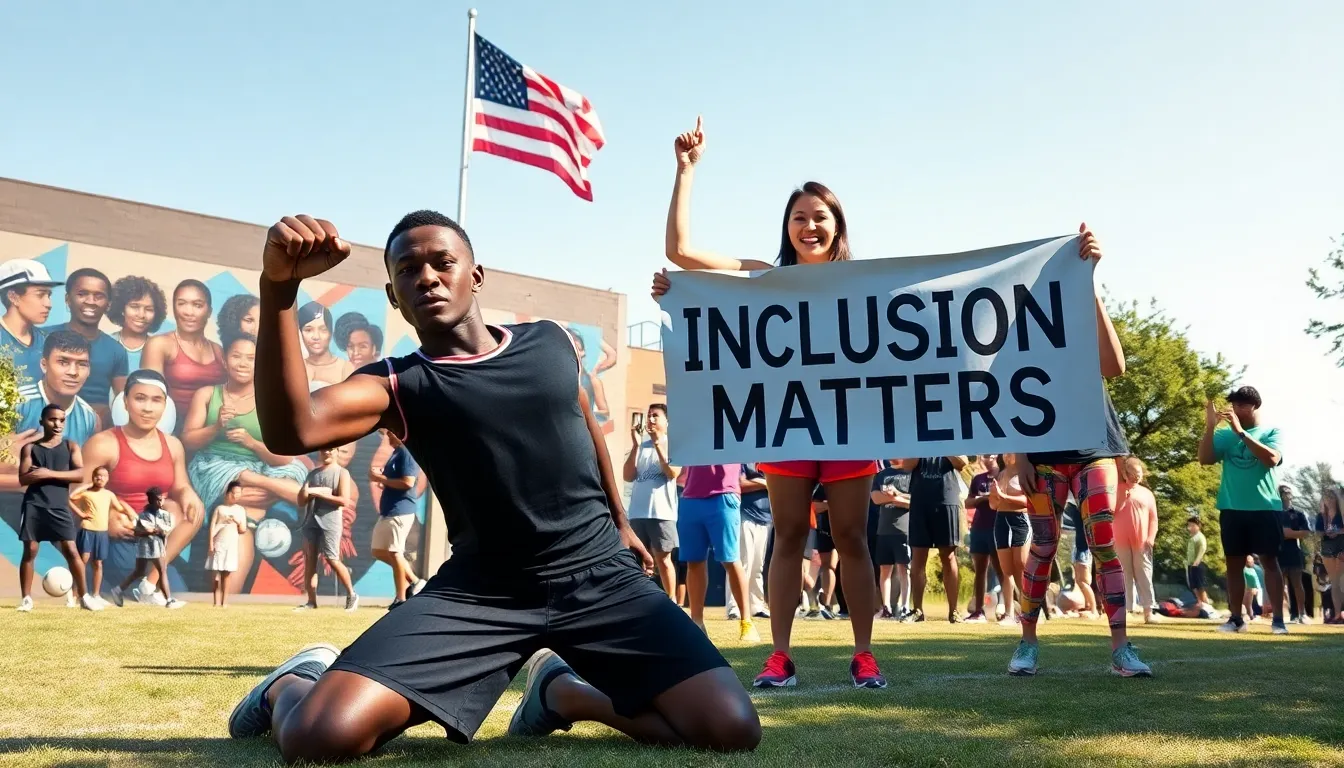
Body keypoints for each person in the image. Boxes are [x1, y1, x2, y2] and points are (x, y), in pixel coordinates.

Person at [227, 211, 758, 761]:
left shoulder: (550, 341)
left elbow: (582, 421)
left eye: (443, 262)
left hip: (600, 576)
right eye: (408, 270)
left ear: (475, 276)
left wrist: (620, 521)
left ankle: (563, 694)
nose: (427, 277)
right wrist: (279, 288)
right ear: (393, 295)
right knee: (317, 738)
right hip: (482, 593)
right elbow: (292, 431)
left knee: (732, 730)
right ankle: (290, 685)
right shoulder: (397, 384)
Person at [653, 117, 882, 689]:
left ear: (837, 225)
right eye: (799, 217)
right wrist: (686, 171)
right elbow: (680, 252)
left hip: (850, 423)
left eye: (819, 216)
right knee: (789, 534)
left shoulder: (865, 281)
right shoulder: (764, 276)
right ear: (787, 227)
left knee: (852, 537)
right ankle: (780, 655)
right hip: (785, 424)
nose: (809, 226)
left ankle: (864, 655)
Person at [1009, 225, 1152, 678]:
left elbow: (1115, 365)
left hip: (1095, 449)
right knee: (1044, 545)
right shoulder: (1021, 332)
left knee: (1104, 543)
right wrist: (1020, 455)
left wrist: (1089, 280)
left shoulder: (1082, 314)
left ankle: (1121, 649)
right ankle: (1027, 642)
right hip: (1043, 454)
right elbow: (1010, 393)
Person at [182, 332, 308, 582]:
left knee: (295, 470)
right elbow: (188, 441)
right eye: (236, 356)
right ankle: (264, 490)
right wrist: (216, 427)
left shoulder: (270, 400)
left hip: (260, 466)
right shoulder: (207, 394)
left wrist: (253, 444)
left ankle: (259, 491)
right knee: (247, 497)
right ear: (225, 360)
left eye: (251, 358)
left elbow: (283, 459)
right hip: (215, 466)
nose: (242, 363)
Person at [82, 369, 204, 598]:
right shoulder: (103, 444)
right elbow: (78, 494)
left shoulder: (173, 445)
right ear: (125, 402)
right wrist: (106, 517)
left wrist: (188, 494)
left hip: (156, 540)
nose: (148, 408)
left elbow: (181, 486)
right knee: (158, 599)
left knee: (193, 510)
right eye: (140, 398)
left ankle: (150, 582)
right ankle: (147, 585)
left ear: (165, 405)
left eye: (156, 400)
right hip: (120, 537)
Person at [1198, 386, 1287, 634]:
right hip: (1232, 508)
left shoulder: (1271, 432)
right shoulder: (1224, 435)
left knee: (1270, 561)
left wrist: (1241, 433)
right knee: (1233, 564)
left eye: (1242, 405)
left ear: (1254, 406)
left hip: (1265, 508)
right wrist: (1210, 428)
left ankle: (1278, 621)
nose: (1236, 410)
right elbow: (1204, 459)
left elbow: (1271, 459)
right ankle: (1236, 619)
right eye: (1234, 405)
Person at [16, 404, 98, 612]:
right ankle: (26, 599)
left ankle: (84, 597)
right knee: (30, 550)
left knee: (71, 550)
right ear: (42, 421)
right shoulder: (30, 448)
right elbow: (23, 478)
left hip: (59, 506)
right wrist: (39, 475)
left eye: (62, 420)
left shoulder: (71, 446)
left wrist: (46, 473)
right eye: (52, 419)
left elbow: (79, 474)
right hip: (34, 504)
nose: (58, 424)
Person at [679, 463, 759, 642]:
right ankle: (697, 623)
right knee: (694, 561)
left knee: (730, 560)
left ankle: (746, 621)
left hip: (724, 494)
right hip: (690, 496)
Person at [140, 280, 226, 425]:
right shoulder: (159, 344)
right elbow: (150, 396)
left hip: (210, 430)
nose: (188, 312)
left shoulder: (218, 350)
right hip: (168, 426)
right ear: (174, 308)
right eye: (181, 304)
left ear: (209, 312)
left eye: (197, 305)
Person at [51, 268, 129, 426]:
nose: (90, 301)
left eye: (98, 296)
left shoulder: (116, 350)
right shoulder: (44, 337)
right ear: (68, 299)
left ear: (108, 304)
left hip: (95, 427)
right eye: (82, 294)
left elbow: (124, 402)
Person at [898, 456, 968, 623]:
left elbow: (962, 463)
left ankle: (954, 611)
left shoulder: (951, 440)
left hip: (946, 500)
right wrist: (922, 447)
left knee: (948, 556)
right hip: (920, 502)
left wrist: (943, 446)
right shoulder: (916, 442)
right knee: (918, 557)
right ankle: (917, 610)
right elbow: (906, 465)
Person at [623, 404, 680, 601]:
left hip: (662, 512)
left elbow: (672, 473)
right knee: (638, 559)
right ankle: (639, 600)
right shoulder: (641, 446)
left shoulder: (673, 445)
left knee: (663, 559)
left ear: (667, 421)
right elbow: (627, 476)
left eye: (655, 416)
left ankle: (672, 600)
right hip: (637, 512)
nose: (650, 419)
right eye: (648, 416)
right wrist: (636, 445)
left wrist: (657, 444)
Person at [296, 446, 359, 612]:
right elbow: (301, 500)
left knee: (332, 558)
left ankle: (352, 594)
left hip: (331, 522)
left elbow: (344, 500)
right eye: (324, 450)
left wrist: (319, 493)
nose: (327, 452)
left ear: (337, 452)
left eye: (331, 449)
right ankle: (311, 601)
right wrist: (306, 491)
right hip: (311, 521)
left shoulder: (342, 473)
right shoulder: (313, 474)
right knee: (310, 561)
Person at [15, 330, 102, 445]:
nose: (73, 372)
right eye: (63, 362)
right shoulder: (15, 403)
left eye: (82, 364)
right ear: (44, 365)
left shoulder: (90, 419)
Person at [369, 430, 424, 608]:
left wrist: (380, 478)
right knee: (378, 551)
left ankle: (400, 598)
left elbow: (408, 482)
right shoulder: (396, 452)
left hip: (401, 510)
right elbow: (394, 480)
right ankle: (415, 581)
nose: (387, 436)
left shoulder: (407, 452)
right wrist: (383, 479)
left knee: (394, 552)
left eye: (389, 433)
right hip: (388, 511)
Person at [70, 465, 135, 605]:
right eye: (97, 475)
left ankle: (96, 595)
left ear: (107, 478)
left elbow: (119, 507)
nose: (100, 478)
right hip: (87, 530)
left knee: (98, 563)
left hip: (102, 532)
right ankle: (74, 595)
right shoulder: (87, 493)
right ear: (93, 477)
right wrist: (81, 513)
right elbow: (71, 498)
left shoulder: (109, 495)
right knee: (83, 562)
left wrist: (129, 512)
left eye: (103, 476)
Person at [111, 486, 184, 608]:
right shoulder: (143, 515)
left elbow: (166, 530)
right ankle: (169, 600)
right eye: (157, 500)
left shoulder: (165, 515)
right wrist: (149, 532)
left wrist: (160, 531)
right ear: (151, 500)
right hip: (146, 547)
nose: (160, 502)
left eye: (161, 499)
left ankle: (118, 590)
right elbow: (137, 532)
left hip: (158, 546)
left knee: (140, 571)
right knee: (161, 570)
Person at [0, 258, 60, 401]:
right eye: (40, 295)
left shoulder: (48, 341)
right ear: (13, 297)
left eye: (49, 295)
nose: (48, 304)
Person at [1114, 457, 1160, 624]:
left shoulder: (1147, 493)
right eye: (1132, 474)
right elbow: (1111, 512)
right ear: (1124, 473)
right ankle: (1126, 610)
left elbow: (1153, 519)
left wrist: (1151, 538)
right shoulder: (1116, 490)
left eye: (1138, 474)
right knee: (1123, 575)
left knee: (1144, 574)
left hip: (1142, 541)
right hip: (1120, 540)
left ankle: (1148, 612)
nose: (1136, 477)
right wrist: (1123, 498)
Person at [965, 455, 1007, 622]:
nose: (986, 459)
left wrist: (990, 498)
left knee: (1002, 570)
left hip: (998, 527)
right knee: (980, 571)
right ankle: (978, 611)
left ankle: (1007, 609)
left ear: (996, 456)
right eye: (984, 456)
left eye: (989, 455)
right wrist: (983, 499)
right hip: (979, 528)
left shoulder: (1004, 476)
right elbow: (968, 502)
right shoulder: (978, 479)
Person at [728, 463, 772, 620]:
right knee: (742, 563)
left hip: (765, 518)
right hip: (745, 515)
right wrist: (765, 483)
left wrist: (760, 482)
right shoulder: (743, 460)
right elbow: (739, 484)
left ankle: (756, 605)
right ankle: (734, 607)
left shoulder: (767, 460)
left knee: (757, 566)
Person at [992, 454, 1030, 627]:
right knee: (1006, 570)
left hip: (1020, 520)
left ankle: (1028, 612)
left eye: (1011, 451)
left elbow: (1028, 500)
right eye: (1005, 452)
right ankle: (1009, 613)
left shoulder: (1024, 473)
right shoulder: (1000, 474)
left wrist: (1004, 497)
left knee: (1020, 565)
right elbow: (993, 505)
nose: (1007, 455)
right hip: (1001, 520)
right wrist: (994, 496)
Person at [871, 460, 912, 620]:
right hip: (884, 530)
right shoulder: (882, 475)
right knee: (884, 570)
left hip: (904, 530)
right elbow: (875, 498)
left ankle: (905, 606)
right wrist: (895, 499)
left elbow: (915, 501)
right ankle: (886, 607)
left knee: (904, 569)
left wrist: (895, 496)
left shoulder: (910, 473)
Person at [107, 275, 168, 371]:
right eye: (134, 307)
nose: (141, 315)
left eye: (149, 309)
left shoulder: (160, 349)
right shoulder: (106, 344)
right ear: (121, 309)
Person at [207, 481, 249, 607]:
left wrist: (236, 521)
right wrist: (211, 545)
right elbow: (212, 527)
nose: (236, 495)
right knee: (216, 575)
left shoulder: (240, 510)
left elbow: (243, 530)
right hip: (219, 544)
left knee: (227, 574)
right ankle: (216, 602)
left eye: (239, 493)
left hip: (231, 544)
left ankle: (224, 603)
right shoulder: (220, 509)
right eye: (234, 493)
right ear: (228, 493)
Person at [1276, 485, 1312, 624]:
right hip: (1277, 552)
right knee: (1278, 585)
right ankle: (1279, 614)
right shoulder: (1274, 512)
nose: (1285, 495)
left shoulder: (1298, 513)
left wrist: (1290, 534)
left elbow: (1306, 532)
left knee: (1297, 583)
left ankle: (1302, 613)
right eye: (1282, 493)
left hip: (1294, 552)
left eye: (1287, 492)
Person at [298, 302, 354, 387]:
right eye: (308, 330)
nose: (316, 337)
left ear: (330, 333)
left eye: (323, 330)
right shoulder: (297, 368)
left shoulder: (344, 368)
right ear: (300, 333)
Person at [1314, 488, 1344, 624]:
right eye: (1326, 497)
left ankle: (1342, 612)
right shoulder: (1321, 516)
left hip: (1341, 545)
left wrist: (1337, 532)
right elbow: (1318, 532)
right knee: (1334, 581)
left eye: (1331, 496)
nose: (1328, 499)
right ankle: (1337, 614)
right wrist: (1325, 532)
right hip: (1327, 547)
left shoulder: (1341, 514)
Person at [1185, 516, 1211, 606]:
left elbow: (1202, 548)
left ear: (1198, 526)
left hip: (1198, 564)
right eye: (1189, 525)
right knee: (1193, 586)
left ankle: (1206, 605)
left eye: (1192, 525)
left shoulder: (1200, 537)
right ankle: (1200, 604)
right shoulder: (1192, 537)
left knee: (1200, 587)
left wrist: (1197, 561)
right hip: (1191, 564)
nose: (1190, 528)